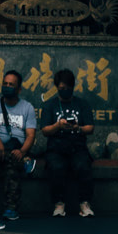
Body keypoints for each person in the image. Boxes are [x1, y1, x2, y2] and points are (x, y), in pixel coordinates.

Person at [33, 70, 94, 219]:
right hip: (56, 148)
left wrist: (77, 128)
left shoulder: (82, 104)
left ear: (72, 87)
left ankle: (84, 204)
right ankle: (58, 204)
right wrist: (58, 126)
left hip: (77, 147)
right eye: (61, 88)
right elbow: (45, 130)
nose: (64, 91)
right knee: (56, 167)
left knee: (83, 166)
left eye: (66, 88)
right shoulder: (49, 105)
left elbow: (90, 128)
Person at [0, 71, 40, 223]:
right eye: (5, 84)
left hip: (17, 148)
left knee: (12, 162)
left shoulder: (27, 107)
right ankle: (24, 162)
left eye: (11, 85)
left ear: (19, 89)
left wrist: (22, 151)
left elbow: (30, 135)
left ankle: (10, 208)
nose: (7, 87)